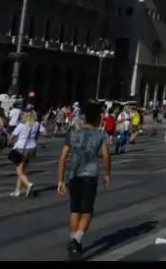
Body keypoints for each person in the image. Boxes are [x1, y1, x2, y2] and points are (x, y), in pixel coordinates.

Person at [56, 102, 111, 260]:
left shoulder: (73, 132)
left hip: (73, 175)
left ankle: (73, 240)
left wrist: (60, 180)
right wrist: (107, 174)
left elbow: (62, 157)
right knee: (87, 211)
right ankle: (76, 241)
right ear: (98, 118)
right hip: (90, 175)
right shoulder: (100, 134)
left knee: (74, 209)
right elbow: (106, 156)